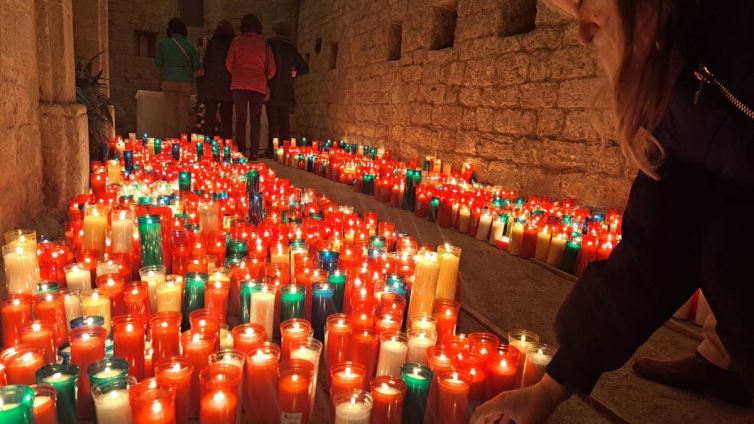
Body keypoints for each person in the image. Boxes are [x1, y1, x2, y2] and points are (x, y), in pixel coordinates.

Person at [471, 1, 754, 422]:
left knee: (728, 246)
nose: (584, 34)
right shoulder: (674, 76)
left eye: (584, 4)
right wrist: (550, 388)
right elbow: (656, 246)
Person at [226, 14, 276, 160]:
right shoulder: (266, 46)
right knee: (256, 119)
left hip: (239, 83)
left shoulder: (236, 41)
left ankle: (241, 149)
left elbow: (228, 63)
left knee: (241, 118)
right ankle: (254, 151)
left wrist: (238, 72)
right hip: (258, 85)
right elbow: (272, 70)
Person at [265, 21, 309, 157]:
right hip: (286, 88)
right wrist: (294, 72)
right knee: (284, 121)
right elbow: (305, 67)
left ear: (275, 31)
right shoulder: (291, 48)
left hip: (272, 86)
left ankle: (272, 151)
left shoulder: (269, 44)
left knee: (273, 122)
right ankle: (284, 151)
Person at [155, 18, 200, 137]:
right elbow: (196, 65)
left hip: (168, 80)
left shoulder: (163, 44)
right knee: (183, 110)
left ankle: (170, 138)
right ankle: (182, 139)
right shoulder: (189, 45)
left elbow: (158, 63)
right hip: (185, 82)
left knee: (170, 110)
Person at [200, 20, 235, 139]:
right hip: (228, 84)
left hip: (211, 84)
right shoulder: (233, 45)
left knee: (209, 115)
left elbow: (206, 63)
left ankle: (207, 143)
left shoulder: (211, 44)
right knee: (227, 117)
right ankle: (227, 143)